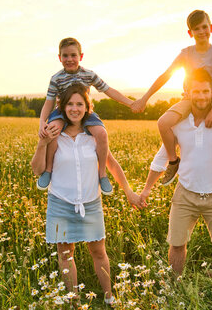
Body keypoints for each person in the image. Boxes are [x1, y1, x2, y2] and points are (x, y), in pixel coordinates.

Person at [139, 68, 212, 310]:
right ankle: (175, 286)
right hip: (185, 194)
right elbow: (161, 160)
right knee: (177, 244)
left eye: (206, 91)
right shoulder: (178, 125)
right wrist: (146, 189)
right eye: (196, 91)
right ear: (187, 93)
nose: (201, 95)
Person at [31, 84, 141, 305]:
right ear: (62, 107)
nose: (74, 109)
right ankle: (74, 302)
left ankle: (110, 298)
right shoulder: (54, 134)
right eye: (70, 104)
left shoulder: (94, 136)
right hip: (60, 202)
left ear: (87, 107)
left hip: (90, 203)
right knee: (65, 254)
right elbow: (37, 169)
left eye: (79, 104)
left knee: (99, 252)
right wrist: (42, 143)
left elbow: (112, 164)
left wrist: (128, 190)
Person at [131, 10, 212, 191]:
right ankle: (173, 161)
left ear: (210, 28)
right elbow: (166, 75)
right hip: (190, 99)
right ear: (190, 33)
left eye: (204, 27)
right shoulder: (186, 54)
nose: (201, 31)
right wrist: (145, 98)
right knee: (163, 122)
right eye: (196, 29)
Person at [37, 37, 134, 194]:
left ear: (80, 56)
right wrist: (42, 122)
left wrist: (130, 103)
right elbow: (48, 102)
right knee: (52, 131)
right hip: (62, 111)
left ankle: (102, 174)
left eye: (73, 55)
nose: (69, 59)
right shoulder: (56, 78)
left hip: (84, 111)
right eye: (65, 56)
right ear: (59, 57)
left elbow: (109, 90)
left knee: (102, 133)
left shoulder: (89, 74)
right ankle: (48, 170)